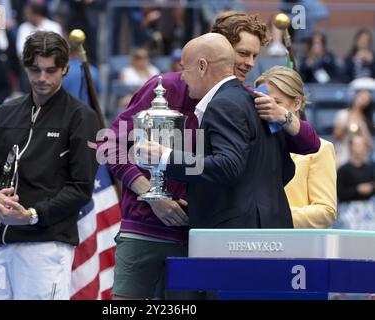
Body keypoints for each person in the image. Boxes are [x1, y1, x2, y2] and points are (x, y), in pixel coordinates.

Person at [101, 10, 320, 300]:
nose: (248, 63)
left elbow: (308, 146)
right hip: (147, 228)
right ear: (216, 50)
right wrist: (150, 195)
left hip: (203, 236)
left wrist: (286, 117)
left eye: (255, 55)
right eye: (243, 53)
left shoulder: (244, 99)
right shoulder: (163, 87)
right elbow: (109, 144)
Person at [0, 31, 100, 300]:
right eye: (35, 69)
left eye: (50, 70)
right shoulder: (6, 112)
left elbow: (80, 189)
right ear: (25, 66)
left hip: (46, 245)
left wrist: (31, 215)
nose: (42, 78)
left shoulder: (81, 117)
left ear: (65, 68)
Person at [137, 33, 294, 229]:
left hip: (237, 237)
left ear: (202, 66)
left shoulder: (224, 104)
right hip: (272, 227)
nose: (183, 77)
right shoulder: (257, 100)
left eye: (185, 68)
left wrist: (166, 157)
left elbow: (228, 166)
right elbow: (287, 169)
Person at [255, 66, 337, 228]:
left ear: (297, 103)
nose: (268, 109)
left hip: (295, 244)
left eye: (276, 102)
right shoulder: (252, 143)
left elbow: (326, 211)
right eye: (261, 102)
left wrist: (273, 216)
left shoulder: (322, 148)